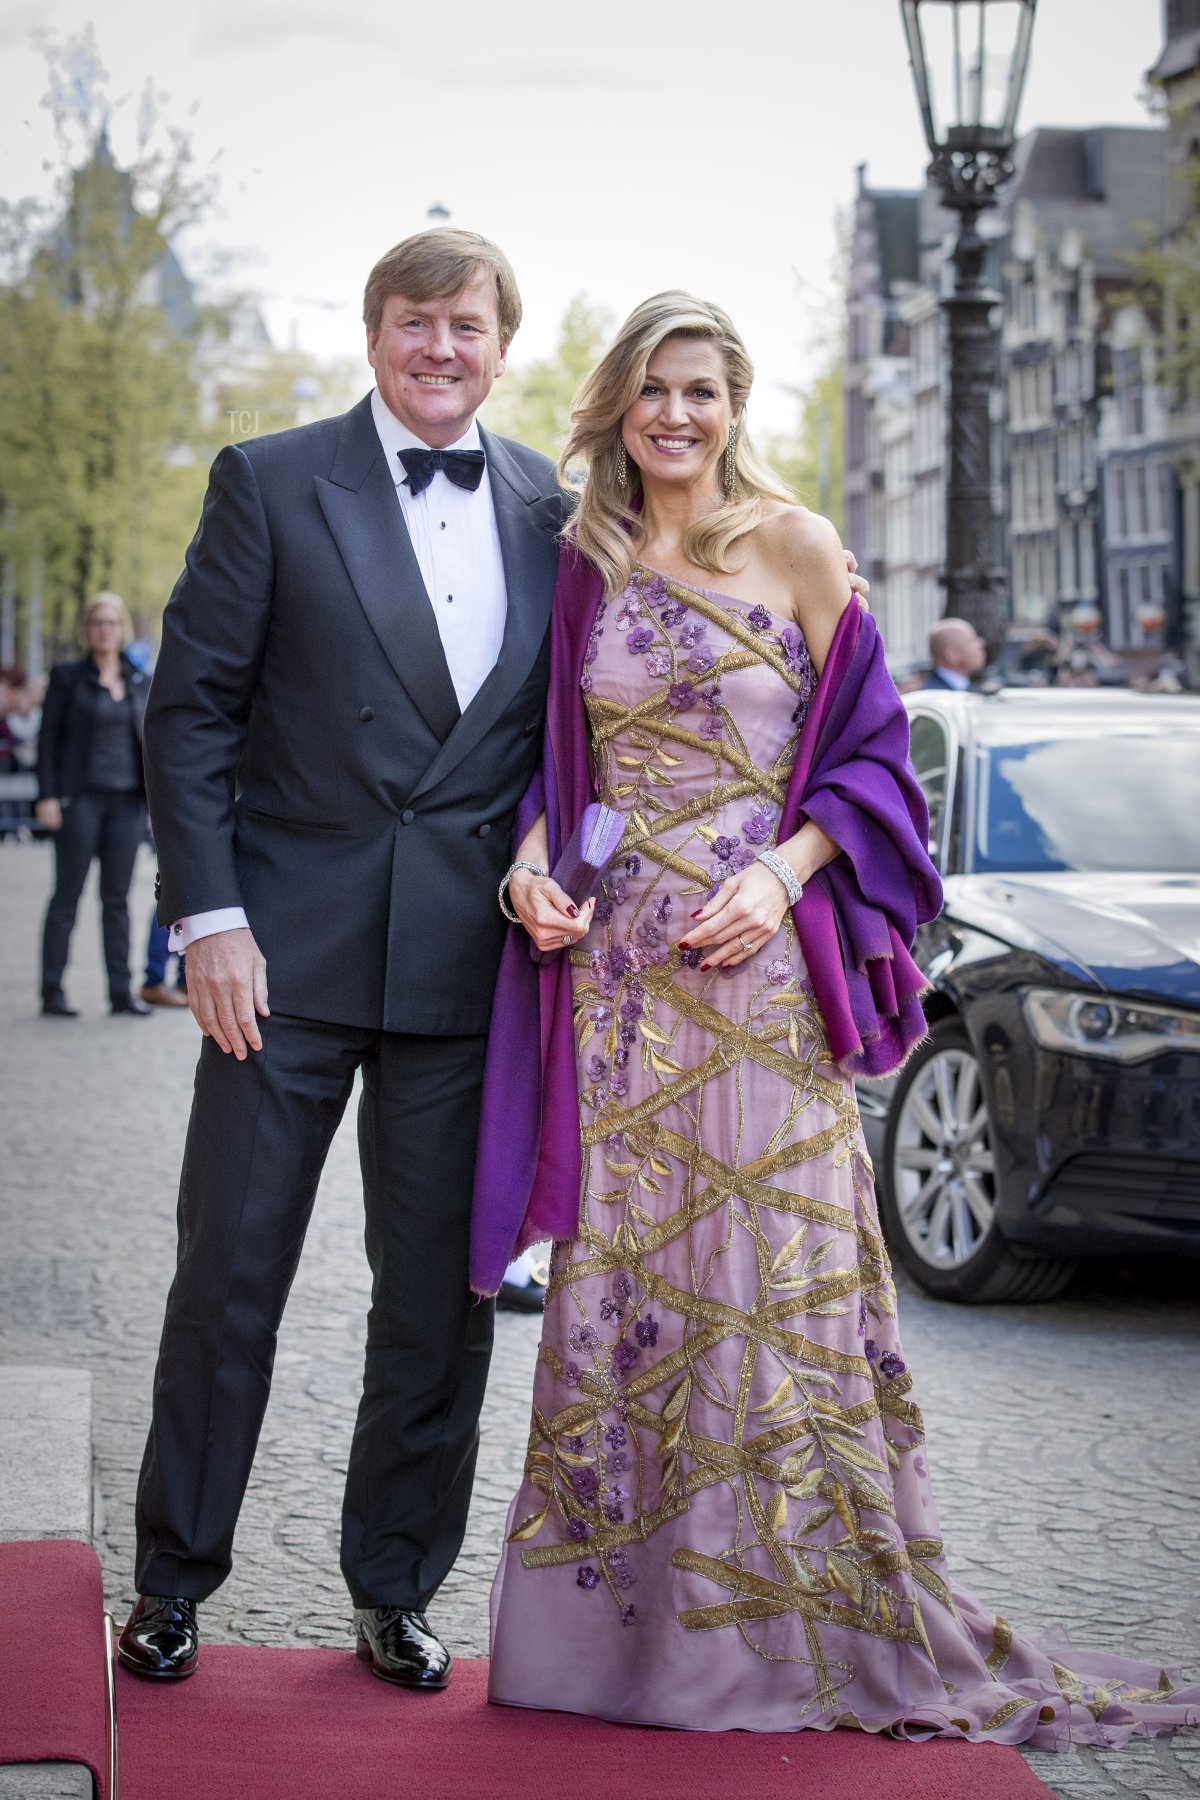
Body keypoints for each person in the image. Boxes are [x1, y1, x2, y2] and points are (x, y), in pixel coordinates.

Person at [118, 230, 869, 1694]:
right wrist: (209, 921)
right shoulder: (266, 481)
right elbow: (191, 715)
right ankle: (173, 1581)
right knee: (230, 1278)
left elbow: (579, 746)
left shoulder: (557, 511)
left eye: (467, 325)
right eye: (417, 323)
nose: (441, 349)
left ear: (503, 344)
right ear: (376, 330)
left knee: (442, 1302)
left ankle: (393, 1588)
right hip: (275, 964)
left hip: (478, 972)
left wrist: (582, 871)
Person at [475, 294, 1200, 1747]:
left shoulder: (799, 547)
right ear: (618, 405)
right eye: (651, 392)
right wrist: (530, 865)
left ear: (736, 404)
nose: (674, 416)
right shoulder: (586, 562)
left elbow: (873, 768)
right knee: (636, 1289)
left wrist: (781, 870)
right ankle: (617, 1647)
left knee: (766, 1279)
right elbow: (565, 766)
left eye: (700, 391)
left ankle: (775, 1638)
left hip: (756, 973)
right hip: (619, 982)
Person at [35, 594, 153, 1018]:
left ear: (122, 629)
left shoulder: (139, 679)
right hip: (79, 799)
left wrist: (154, 803)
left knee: (118, 900)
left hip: (127, 804)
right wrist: (47, 795)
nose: (105, 629)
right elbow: (47, 741)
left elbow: (150, 746)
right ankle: (52, 991)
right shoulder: (67, 678)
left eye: (112, 622)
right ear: (87, 628)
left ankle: (121, 992)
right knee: (67, 895)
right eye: (97, 622)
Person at [921, 616, 986, 690]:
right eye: (971, 640)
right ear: (952, 655)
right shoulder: (934, 696)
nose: (981, 643)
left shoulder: (962, 687)